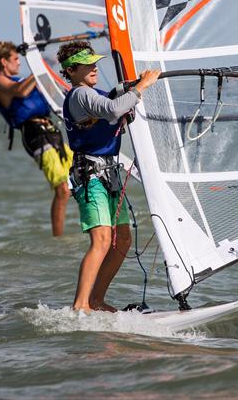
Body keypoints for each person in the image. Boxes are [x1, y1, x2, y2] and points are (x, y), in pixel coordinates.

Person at [57, 41, 160, 312]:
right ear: (72, 70)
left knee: (122, 240)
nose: (94, 67)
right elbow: (113, 109)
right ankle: (81, 305)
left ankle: (96, 300)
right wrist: (141, 87)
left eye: (94, 63)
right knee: (102, 240)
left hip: (110, 173)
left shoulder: (94, 93)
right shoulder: (80, 94)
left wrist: (129, 88)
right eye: (87, 64)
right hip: (90, 174)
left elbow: (114, 102)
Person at [0, 40, 72, 237]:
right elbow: (20, 92)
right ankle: (58, 239)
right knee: (62, 189)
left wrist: (50, 66)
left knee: (82, 176)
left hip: (52, 131)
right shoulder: (0, 82)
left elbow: (50, 93)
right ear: (3, 61)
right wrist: (39, 67)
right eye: (15, 59)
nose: (19, 62)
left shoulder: (24, 79)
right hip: (34, 134)